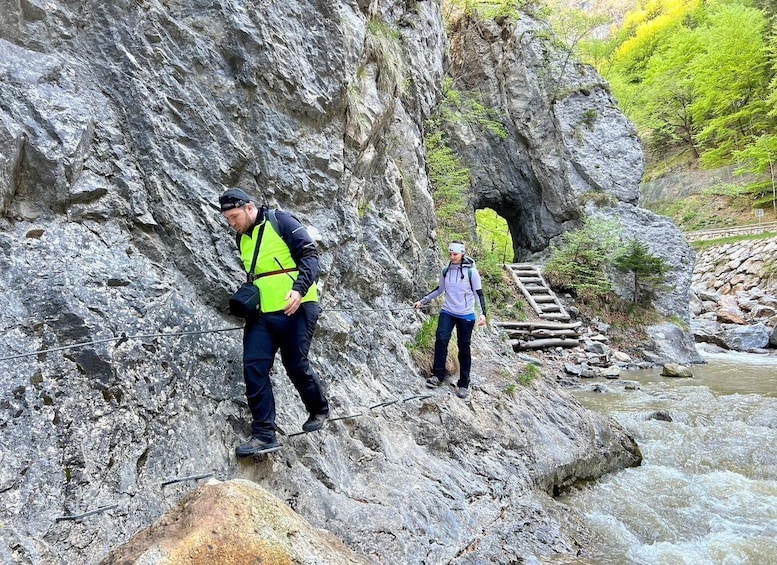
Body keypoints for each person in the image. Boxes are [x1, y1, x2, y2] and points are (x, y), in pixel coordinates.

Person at [219, 188, 329, 457]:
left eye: (234, 216)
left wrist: (300, 289)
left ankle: (319, 408)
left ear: (249, 207)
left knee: (295, 365)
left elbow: (311, 256)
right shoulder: (241, 238)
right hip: (262, 314)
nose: (232, 223)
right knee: (253, 367)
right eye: (228, 219)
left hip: (298, 306)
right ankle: (264, 434)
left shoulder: (282, 221)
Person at [413, 241, 487, 398]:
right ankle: (438, 375)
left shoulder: (471, 273)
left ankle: (464, 384)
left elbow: (478, 294)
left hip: (466, 314)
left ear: (462, 254)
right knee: (441, 339)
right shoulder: (446, 271)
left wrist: (482, 314)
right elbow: (439, 290)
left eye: (455, 254)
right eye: (450, 254)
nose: (452, 257)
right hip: (448, 311)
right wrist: (422, 301)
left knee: (464, 347)